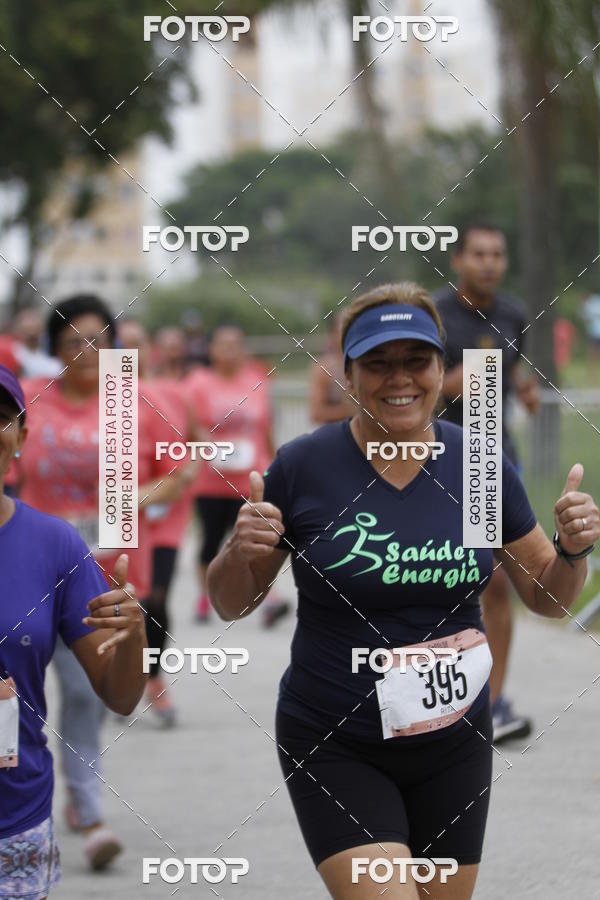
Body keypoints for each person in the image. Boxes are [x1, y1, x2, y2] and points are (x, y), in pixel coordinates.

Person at [207, 283, 598, 900]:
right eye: (378, 363)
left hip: (455, 741)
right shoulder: (306, 467)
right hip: (337, 740)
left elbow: (546, 599)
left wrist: (574, 549)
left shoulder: (477, 466)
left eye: (417, 361)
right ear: (349, 374)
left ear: (442, 370)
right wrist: (239, 550)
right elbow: (233, 602)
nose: (400, 379)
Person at [15, 295, 183, 869]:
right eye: (71, 342)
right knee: (20, 694)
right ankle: (25, 808)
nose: (86, 353)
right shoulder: (32, 405)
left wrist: (139, 496)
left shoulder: (136, 403)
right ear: (53, 352)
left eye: (97, 340)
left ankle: (86, 812)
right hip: (32, 568)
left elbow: (177, 469)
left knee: (86, 695)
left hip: (104, 576)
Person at [0, 364, 147, 899]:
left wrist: (135, 635)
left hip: (14, 821)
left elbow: (120, 694)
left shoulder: (54, 544)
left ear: (21, 438)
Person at [435, 222, 541, 742]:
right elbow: (418, 387)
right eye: (478, 254)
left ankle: (492, 703)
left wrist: (521, 388)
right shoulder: (433, 315)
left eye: (497, 254)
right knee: (442, 582)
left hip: (489, 458)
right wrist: (467, 377)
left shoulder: (514, 314)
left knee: (499, 583)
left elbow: (510, 366)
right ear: (458, 259)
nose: (489, 263)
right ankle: (437, 697)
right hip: (433, 462)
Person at [119, 318, 196, 726]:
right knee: (121, 600)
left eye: (136, 345)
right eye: (120, 346)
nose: (128, 354)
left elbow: (191, 449)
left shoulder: (169, 394)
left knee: (158, 597)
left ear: (148, 350)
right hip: (111, 520)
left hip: (163, 514)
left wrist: (181, 475)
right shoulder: (103, 398)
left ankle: (154, 678)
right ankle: (121, 679)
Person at [186, 324, 288, 627]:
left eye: (236, 345)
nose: (230, 351)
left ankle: (270, 600)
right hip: (211, 479)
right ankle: (206, 596)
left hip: (250, 480)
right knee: (211, 542)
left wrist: (276, 462)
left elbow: (265, 425)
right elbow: (191, 427)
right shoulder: (198, 383)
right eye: (223, 344)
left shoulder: (257, 380)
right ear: (211, 350)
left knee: (255, 542)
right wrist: (212, 448)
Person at [309, 313, 355, 424]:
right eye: (343, 330)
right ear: (333, 335)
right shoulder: (324, 368)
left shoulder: (364, 363)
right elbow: (316, 413)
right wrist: (353, 411)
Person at [12, 307, 62, 379]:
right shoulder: (14, 353)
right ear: (19, 331)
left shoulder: (53, 352)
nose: (32, 334)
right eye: (26, 331)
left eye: (35, 329)